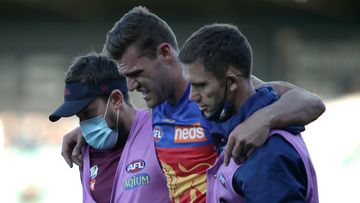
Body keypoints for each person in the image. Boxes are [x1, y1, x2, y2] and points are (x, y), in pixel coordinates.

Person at [62, 6, 325, 203]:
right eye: (126, 77)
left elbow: (311, 102)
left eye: (137, 74)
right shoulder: (157, 107)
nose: (131, 86)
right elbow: (131, 122)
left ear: (164, 54)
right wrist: (87, 128)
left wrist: (263, 119)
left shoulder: (213, 93)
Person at [179, 23, 318, 202]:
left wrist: (264, 119)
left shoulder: (267, 156)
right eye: (190, 85)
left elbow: (315, 103)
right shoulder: (231, 121)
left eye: (201, 85)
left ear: (232, 82)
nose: (192, 96)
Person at [49, 53, 170, 203]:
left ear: (116, 99)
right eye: (79, 117)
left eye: (88, 113)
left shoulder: (159, 134)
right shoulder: (85, 151)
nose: (85, 125)